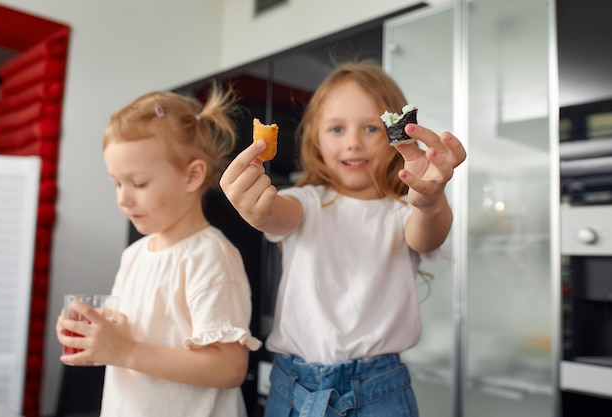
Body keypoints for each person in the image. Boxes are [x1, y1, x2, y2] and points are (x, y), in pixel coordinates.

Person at [219, 60, 466, 417]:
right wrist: (258, 210)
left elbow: (427, 236)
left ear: (398, 133)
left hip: (379, 393)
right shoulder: (306, 203)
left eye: (370, 127)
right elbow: (277, 213)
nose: (353, 142)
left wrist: (429, 201)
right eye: (336, 129)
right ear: (315, 138)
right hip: (292, 389)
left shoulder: (403, 213)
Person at [56, 86, 262, 417]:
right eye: (117, 183)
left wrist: (124, 351)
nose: (123, 198)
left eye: (138, 183)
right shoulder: (135, 255)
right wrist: (97, 333)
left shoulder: (210, 257)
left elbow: (229, 368)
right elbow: (129, 332)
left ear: (192, 175)